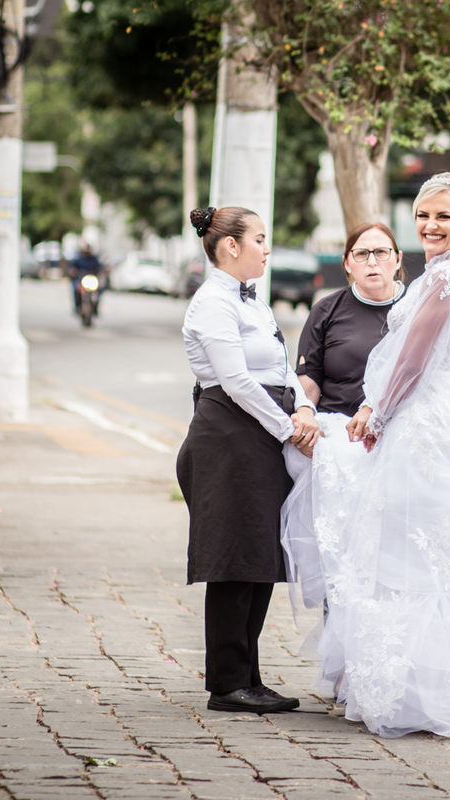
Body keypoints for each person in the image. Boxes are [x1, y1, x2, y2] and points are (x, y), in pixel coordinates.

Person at [283, 172, 450, 738]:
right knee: (424, 552)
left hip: (425, 423)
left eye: (443, 217)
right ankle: (422, 681)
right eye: (423, 216)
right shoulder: (447, 273)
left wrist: (375, 412)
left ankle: (427, 689)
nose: (430, 225)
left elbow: (414, 359)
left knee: (414, 551)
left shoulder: (447, 278)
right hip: (431, 416)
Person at [176, 205, 321, 715]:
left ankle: (248, 676)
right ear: (230, 246)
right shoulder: (213, 302)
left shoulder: (252, 301)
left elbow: (283, 368)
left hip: (261, 436)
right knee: (235, 559)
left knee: (260, 557)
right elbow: (235, 381)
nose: (267, 247)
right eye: (260, 238)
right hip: (229, 439)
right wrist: (288, 428)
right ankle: (228, 683)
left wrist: (302, 410)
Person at [296, 223, 408, 416]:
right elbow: (309, 383)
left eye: (381, 252)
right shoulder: (325, 310)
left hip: (399, 429)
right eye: (361, 254)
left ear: (398, 259)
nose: (372, 261)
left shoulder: (419, 307)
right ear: (347, 263)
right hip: (337, 426)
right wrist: (306, 415)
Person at [67, 243, 105, 315]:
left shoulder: (93, 259)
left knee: (100, 289)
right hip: (81, 279)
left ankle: (95, 308)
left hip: (91, 279)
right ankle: (77, 307)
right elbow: (72, 266)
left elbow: (100, 267)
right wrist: (72, 271)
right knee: (75, 289)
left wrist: (102, 271)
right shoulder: (79, 259)